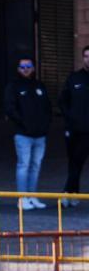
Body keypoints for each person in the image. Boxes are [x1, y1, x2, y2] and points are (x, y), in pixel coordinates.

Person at [4, 57, 51, 210]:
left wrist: (45, 125)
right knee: (24, 165)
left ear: (33, 68)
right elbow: (10, 109)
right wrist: (23, 124)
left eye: (28, 66)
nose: (25, 69)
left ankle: (32, 196)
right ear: (18, 69)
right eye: (22, 66)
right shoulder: (13, 86)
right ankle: (22, 198)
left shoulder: (39, 86)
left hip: (40, 135)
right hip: (23, 134)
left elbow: (48, 108)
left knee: (36, 165)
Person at [60, 46, 89, 207]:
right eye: (86, 56)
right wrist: (70, 119)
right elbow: (63, 101)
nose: (88, 59)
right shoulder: (74, 78)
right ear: (83, 58)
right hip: (76, 130)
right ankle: (72, 193)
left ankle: (68, 193)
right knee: (74, 162)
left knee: (78, 162)